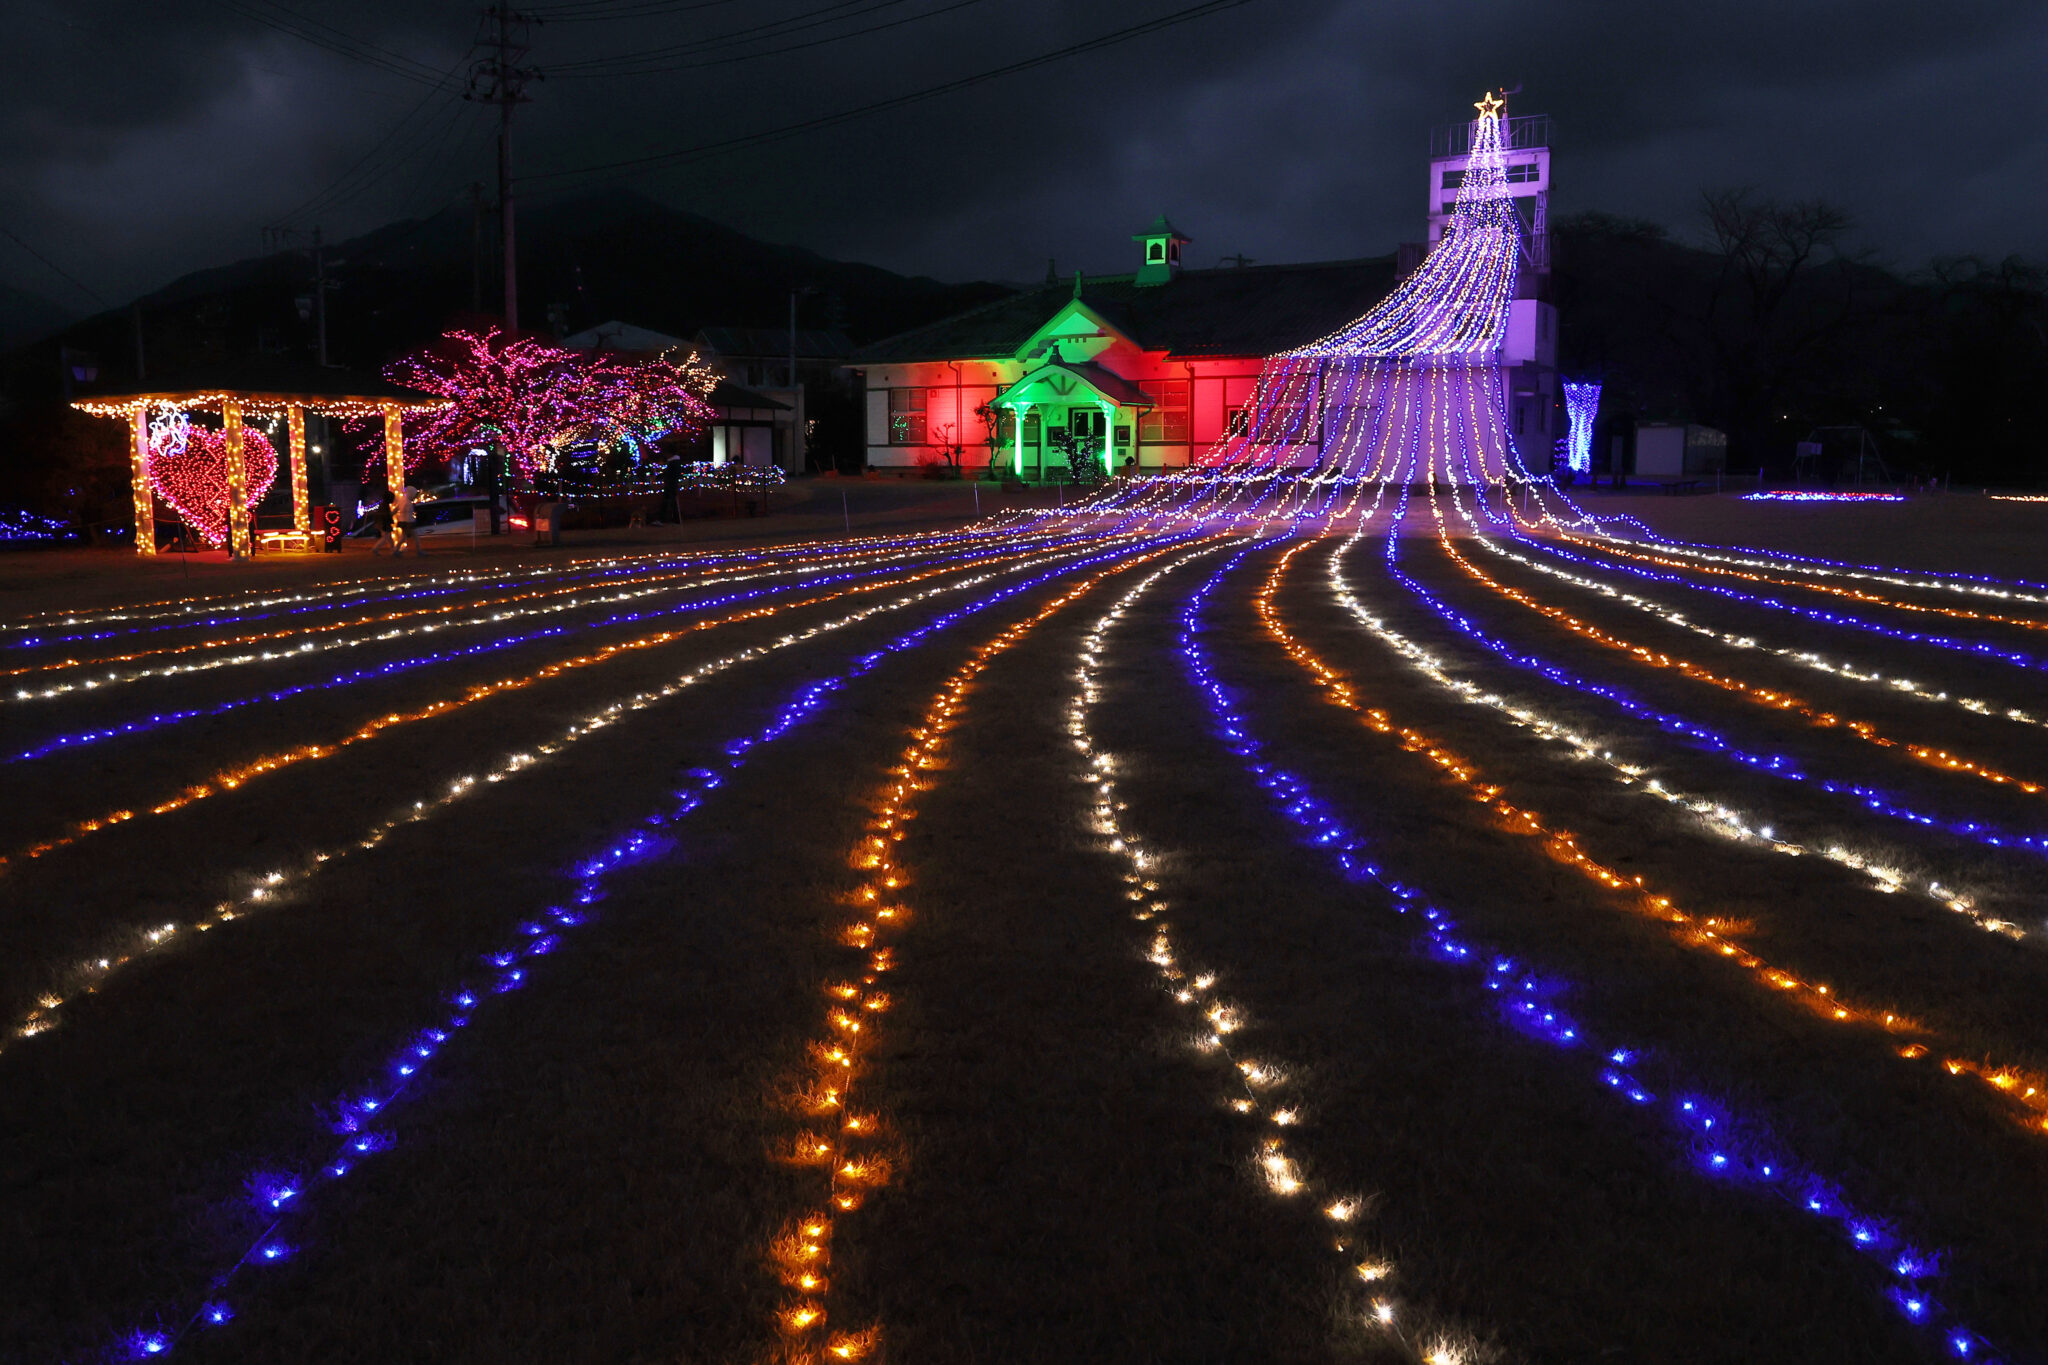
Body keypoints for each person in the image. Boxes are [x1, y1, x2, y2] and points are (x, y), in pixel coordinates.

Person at [391, 478, 422, 556]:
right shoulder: (409, 503)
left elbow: (395, 510)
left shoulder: (402, 500)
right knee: (415, 537)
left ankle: (396, 551)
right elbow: (409, 514)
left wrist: (389, 515)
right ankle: (419, 551)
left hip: (402, 522)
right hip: (409, 522)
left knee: (403, 538)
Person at [369, 486, 396, 556]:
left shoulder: (383, 505)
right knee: (386, 538)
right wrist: (395, 511)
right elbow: (387, 515)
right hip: (385, 524)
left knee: (388, 537)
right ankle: (375, 548)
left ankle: (393, 550)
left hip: (382, 523)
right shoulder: (385, 506)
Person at [657, 454, 683, 525]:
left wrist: (659, 476)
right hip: (671, 484)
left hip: (670, 484)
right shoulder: (675, 462)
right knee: (671, 502)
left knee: (670, 502)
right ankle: (673, 519)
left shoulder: (672, 463)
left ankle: (665, 519)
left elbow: (669, 473)